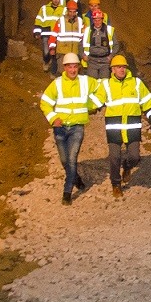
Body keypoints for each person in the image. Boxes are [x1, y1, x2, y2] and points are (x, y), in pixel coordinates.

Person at [92, 55, 151, 197]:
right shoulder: (106, 85)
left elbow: (148, 102)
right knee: (114, 158)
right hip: (114, 128)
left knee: (134, 157)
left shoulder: (136, 83)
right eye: (118, 67)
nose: (122, 69)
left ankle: (127, 167)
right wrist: (82, 107)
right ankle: (116, 184)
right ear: (112, 69)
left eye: (123, 67)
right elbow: (95, 102)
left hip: (132, 127)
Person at [40, 53, 98, 205]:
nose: (73, 70)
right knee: (65, 161)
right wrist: (53, 118)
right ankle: (76, 178)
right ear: (65, 68)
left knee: (72, 159)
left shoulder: (85, 82)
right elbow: (45, 102)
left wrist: (90, 105)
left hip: (77, 128)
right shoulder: (57, 84)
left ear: (78, 67)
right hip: (60, 128)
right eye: (70, 67)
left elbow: (102, 89)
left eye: (75, 67)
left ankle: (67, 192)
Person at [48, 1, 85, 75]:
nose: (72, 14)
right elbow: (53, 35)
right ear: (67, 11)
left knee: (73, 74)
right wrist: (52, 48)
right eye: (70, 11)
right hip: (62, 52)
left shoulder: (80, 21)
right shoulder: (60, 21)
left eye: (74, 12)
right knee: (62, 73)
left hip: (75, 53)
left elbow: (84, 36)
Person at [33, 0, 65, 73]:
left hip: (57, 34)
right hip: (46, 34)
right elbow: (38, 20)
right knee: (46, 52)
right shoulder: (44, 8)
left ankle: (54, 69)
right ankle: (46, 61)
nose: (56, 0)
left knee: (55, 52)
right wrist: (37, 32)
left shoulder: (64, 9)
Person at [81, 8, 117, 79]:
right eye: (95, 20)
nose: (97, 22)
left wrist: (111, 56)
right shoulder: (87, 30)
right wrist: (83, 55)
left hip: (105, 61)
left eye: (99, 20)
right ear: (93, 20)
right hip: (91, 61)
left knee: (104, 82)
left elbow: (116, 45)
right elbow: (80, 45)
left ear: (102, 20)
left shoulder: (109, 30)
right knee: (92, 82)